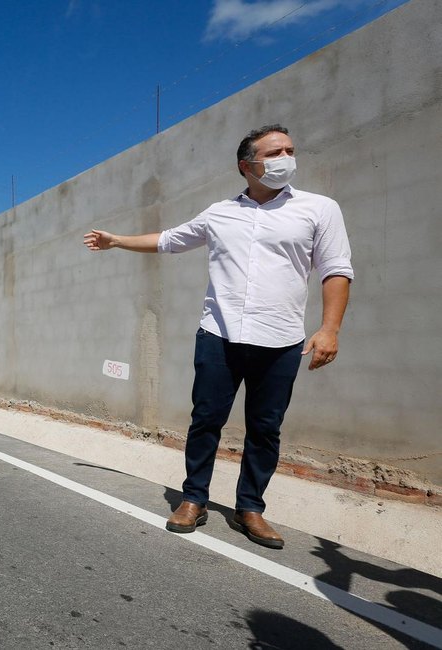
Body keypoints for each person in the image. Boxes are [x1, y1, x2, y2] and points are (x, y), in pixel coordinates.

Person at [83, 125, 352, 549]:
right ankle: (193, 499)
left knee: (265, 428)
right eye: (274, 152)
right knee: (205, 420)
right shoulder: (219, 213)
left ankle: (251, 508)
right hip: (218, 335)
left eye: (290, 149)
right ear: (247, 166)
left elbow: (336, 269)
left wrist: (329, 329)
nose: (286, 157)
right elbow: (170, 240)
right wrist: (118, 240)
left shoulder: (319, 209)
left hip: (281, 341)